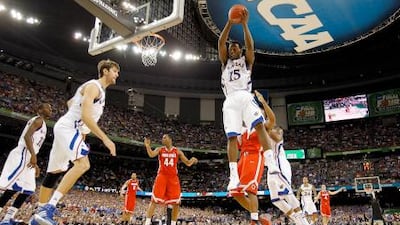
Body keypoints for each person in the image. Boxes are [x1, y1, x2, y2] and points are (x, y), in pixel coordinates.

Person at [30, 59, 120, 225]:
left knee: (54, 172)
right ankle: (48, 208)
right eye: (115, 71)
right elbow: (85, 116)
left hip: (69, 128)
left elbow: (71, 103)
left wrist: (82, 134)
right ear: (105, 71)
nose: (117, 75)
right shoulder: (94, 86)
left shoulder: (93, 88)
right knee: (83, 165)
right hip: (68, 128)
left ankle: (37, 217)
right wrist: (106, 139)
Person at [218, 2, 278, 192]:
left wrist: (244, 25)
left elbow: (251, 46)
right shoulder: (225, 62)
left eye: (236, 47)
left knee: (260, 124)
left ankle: (271, 162)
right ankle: (233, 175)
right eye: (231, 48)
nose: (232, 49)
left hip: (245, 95)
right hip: (230, 100)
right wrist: (229, 23)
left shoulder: (247, 61)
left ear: (241, 51)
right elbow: (221, 43)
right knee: (232, 137)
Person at [254, 91, 310, 225]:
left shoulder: (276, 130)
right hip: (271, 168)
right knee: (276, 199)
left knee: (287, 193)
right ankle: (296, 218)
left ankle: (303, 220)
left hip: (280, 165)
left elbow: (278, 136)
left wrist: (263, 103)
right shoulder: (259, 134)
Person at [0, 103, 52, 225]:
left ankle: (7, 218)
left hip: (28, 156)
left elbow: (33, 143)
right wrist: (33, 156)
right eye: (47, 107)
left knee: (28, 189)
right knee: (8, 185)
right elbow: (27, 137)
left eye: (51, 108)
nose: (50, 109)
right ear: (39, 109)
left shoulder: (42, 123)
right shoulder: (38, 120)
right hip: (23, 154)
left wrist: (36, 163)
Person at [143, 135, 198, 225]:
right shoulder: (160, 149)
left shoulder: (177, 151)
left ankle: (173, 223)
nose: (162, 139)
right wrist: (148, 146)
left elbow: (187, 163)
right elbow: (151, 154)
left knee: (176, 202)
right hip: (162, 176)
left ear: (170, 139)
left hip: (173, 178)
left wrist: (192, 160)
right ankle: (147, 222)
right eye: (162, 138)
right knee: (154, 200)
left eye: (164, 137)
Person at [229, 116, 271, 225]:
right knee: (235, 192)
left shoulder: (262, 126)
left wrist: (263, 103)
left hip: (255, 156)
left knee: (250, 190)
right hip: (243, 158)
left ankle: (254, 221)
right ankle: (260, 219)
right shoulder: (243, 130)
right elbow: (235, 145)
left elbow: (272, 120)